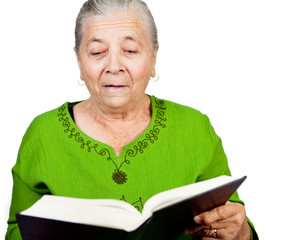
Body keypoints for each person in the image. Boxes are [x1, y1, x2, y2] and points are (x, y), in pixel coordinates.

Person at [6, 0, 258, 239]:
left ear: (154, 58)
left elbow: (235, 225)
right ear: (79, 61)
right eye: (96, 52)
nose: (114, 66)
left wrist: (241, 234)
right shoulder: (43, 134)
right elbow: (17, 231)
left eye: (129, 50)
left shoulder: (195, 128)